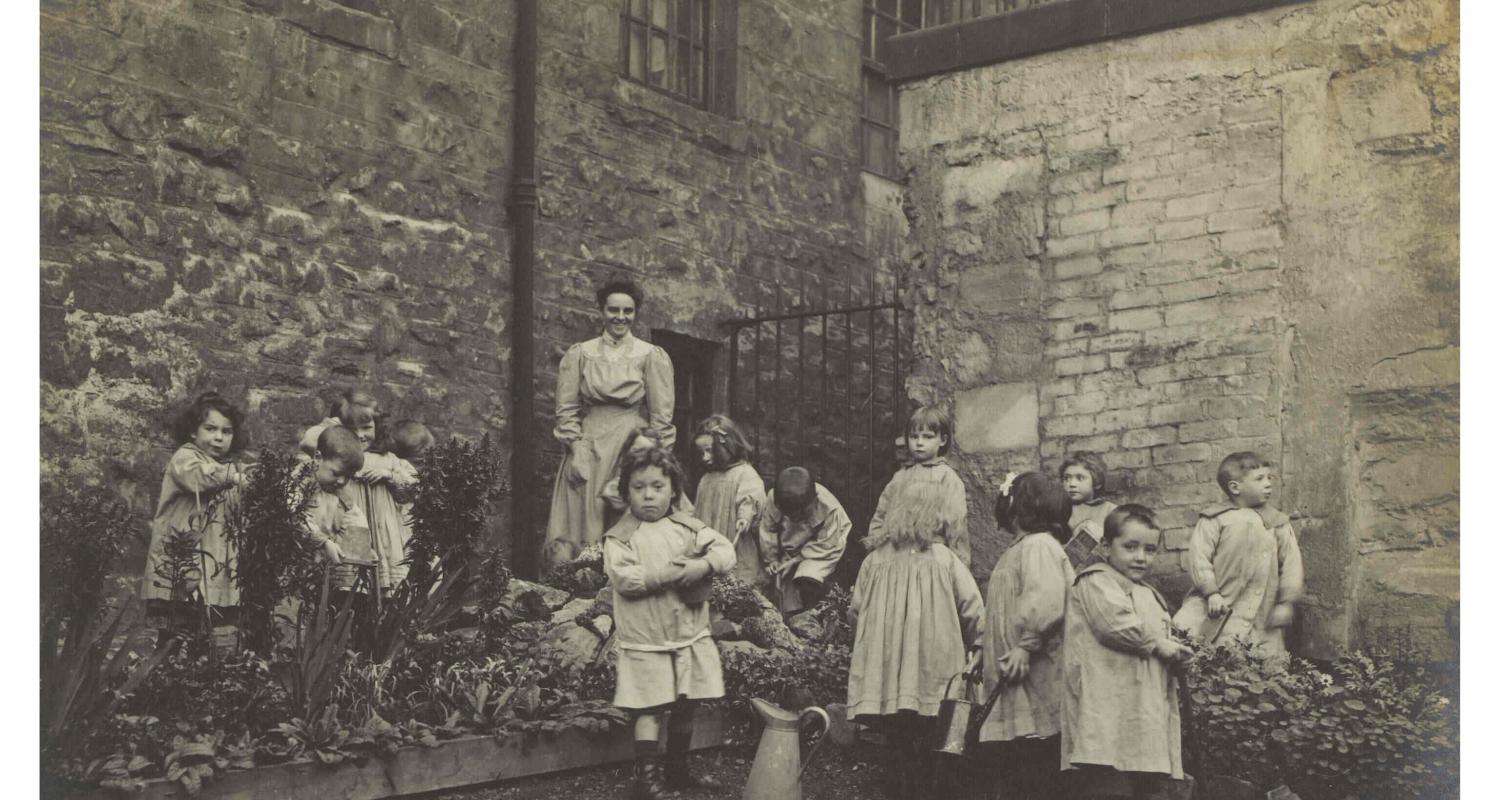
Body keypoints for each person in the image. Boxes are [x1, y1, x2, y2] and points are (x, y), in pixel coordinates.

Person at [602, 447, 735, 800]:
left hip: (688, 635)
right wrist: (666, 575)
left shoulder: (688, 527)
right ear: (626, 492)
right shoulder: (621, 537)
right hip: (646, 639)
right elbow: (625, 579)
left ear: (673, 490)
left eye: (657, 487)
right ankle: (647, 779)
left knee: (685, 703)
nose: (648, 495)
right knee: (649, 706)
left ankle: (677, 770)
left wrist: (702, 567)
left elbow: (725, 551)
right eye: (639, 487)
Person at [846, 466, 984, 800]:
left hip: (889, 672)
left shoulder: (874, 561)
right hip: (931, 667)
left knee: (896, 742)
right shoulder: (945, 559)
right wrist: (979, 642)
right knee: (933, 739)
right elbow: (973, 608)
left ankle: (900, 791)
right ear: (934, 516)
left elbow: (854, 611)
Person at [1061, 504, 1192, 799]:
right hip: (1107, 706)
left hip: (1141, 706)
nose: (1140, 557)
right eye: (1130, 547)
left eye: (1149, 549)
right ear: (1107, 546)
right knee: (1109, 784)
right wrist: (1159, 645)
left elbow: (1159, 638)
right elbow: (1114, 625)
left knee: (1145, 780)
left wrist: (1175, 657)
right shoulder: (1096, 580)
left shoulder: (1147, 592)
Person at [546, 278, 676, 566]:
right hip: (589, 444)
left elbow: (661, 417)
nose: (620, 317)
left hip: (630, 444)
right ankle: (581, 586)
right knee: (584, 518)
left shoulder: (649, 356)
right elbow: (566, 409)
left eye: (627, 311)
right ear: (602, 311)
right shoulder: (581, 353)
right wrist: (577, 448)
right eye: (613, 310)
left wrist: (653, 459)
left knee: (626, 510)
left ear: (635, 313)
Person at [977, 472, 1075, 800]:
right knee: (1020, 757)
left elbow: (1047, 600)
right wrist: (983, 648)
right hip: (1013, 671)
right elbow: (1000, 612)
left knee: (1040, 754)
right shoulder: (1017, 550)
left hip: (1034, 667)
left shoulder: (1039, 547)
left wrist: (1026, 645)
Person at [1173, 452, 1304, 656]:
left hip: (1264, 609)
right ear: (1235, 487)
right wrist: (1211, 592)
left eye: (1269, 477)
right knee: (1217, 649)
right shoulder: (1215, 519)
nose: (1268, 484)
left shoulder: (1278, 522)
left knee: (1263, 656)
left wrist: (1286, 602)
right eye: (1259, 479)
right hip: (1225, 601)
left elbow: (1291, 564)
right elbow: (1199, 559)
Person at [142, 391, 251, 632]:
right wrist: (233, 476)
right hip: (183, 560)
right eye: (210, 429)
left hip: (212, 563)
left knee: (206, 629)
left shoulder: (227, 468)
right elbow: (198, 477)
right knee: (176, 628)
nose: (219, 438)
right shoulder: (185, 458)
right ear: (193, 431)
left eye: (226, 431)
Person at [867, 406, 970, 566]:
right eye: (914, 436)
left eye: (928, 437)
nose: (919, 443)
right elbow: (881, 514)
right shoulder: (900, 477)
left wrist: (959, 563)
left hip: (931, 557)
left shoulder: (947, 478)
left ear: (942, 440)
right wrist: (877, 550)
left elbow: (956, 525)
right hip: (897, 556)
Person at [758, 466, 852, 614]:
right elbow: (768, 530)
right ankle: (794, 620)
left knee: (808, 579)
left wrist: (799, 559)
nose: (794, 518)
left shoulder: (829, 507)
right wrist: (772, 559)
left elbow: (828, 543)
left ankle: (813, 617)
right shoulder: (774, 499)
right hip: (789, 546)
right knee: (782, 590)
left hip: (821, 549)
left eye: (798, 515)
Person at [690, 415, 768, 589]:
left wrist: (745, 516)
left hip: (734, 539)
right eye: (701, 452)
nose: (705, 457)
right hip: (710, 543)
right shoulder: (706, 479)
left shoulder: (744, 473)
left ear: (728, 446)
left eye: (710, 450)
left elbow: (750, 497)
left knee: (737, 585)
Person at [362, 419, 433, 588]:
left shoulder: (404, 472)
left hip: (409, 527)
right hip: (393, 527)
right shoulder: (395, 465)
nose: (420, 468)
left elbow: (414, 486)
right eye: (419, 461)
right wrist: (390, 475)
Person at [600, 426, 693, 531]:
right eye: (637, 451)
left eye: (648, 452)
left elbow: (687, 511)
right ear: (627, 451)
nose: (642, 457)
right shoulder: (619, 484)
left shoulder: (666, 485)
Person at [1060, 452, 1117, 568]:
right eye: (1067, 478)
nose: (1071, 484)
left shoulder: (1111, 511)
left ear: (1097, 483)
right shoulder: (1059, 510)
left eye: (1080, 478)